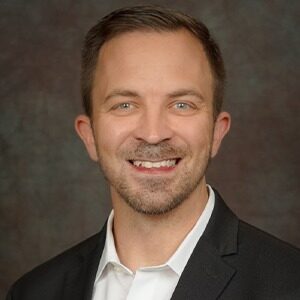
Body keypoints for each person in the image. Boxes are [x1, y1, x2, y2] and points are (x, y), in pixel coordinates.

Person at [6, 5, 300, 300]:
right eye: (125, 105)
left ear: (216, 132)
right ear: (89, 135)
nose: (153, 133)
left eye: (181, 104)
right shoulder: (33, 292)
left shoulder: (290, 284)